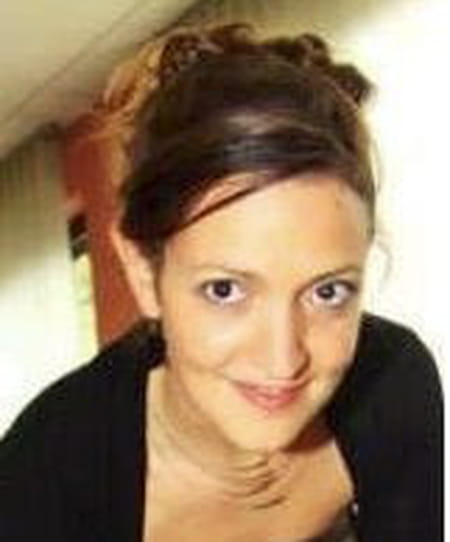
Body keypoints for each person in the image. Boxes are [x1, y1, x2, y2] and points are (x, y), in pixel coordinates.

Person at [0, 24, 442, 542]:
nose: (282, 361)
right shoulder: (41, 483)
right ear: (144, 272)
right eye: (225, 290)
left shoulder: (390, 381)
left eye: (328, 292)